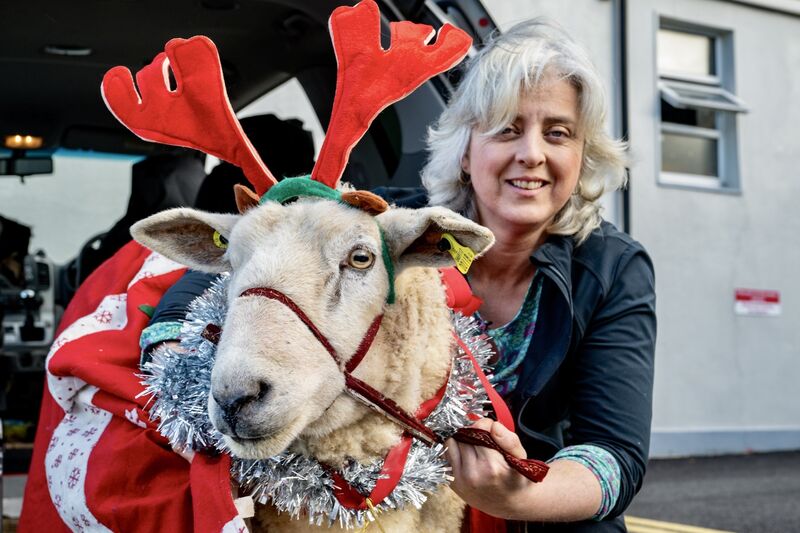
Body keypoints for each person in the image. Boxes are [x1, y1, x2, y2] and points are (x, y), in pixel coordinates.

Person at [421, 20, 656, 532]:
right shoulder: (392, 235)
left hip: (542, 509)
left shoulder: (615, 266)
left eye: (557, 132)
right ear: (464, 150)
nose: (532, 153)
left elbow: (617, 455)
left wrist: (519, 496)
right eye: (507, 128)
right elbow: (227, 287)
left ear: (581, 155)